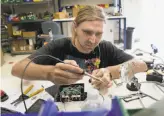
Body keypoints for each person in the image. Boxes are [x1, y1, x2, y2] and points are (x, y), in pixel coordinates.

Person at [12, 5, 147, 93]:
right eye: (87, 32)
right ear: (75, 26)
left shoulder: (106, 47)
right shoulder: (58, 46)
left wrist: (109, 72)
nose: (93, 40)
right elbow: (17, 69)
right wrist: (50, 73)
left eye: (98, 34)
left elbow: (142, 65)